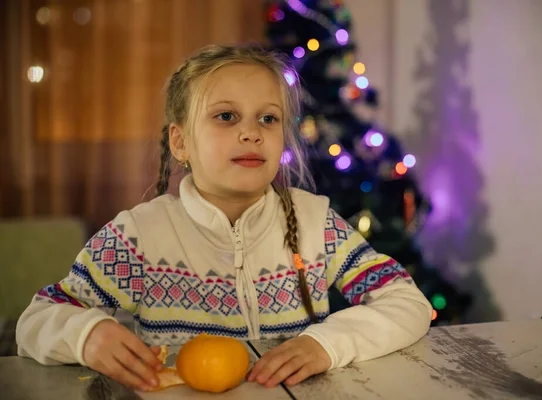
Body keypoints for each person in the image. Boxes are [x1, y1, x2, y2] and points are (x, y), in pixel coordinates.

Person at [16, 44, 433, 392]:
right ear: (180, 142)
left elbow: (406, 301)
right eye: (226, 116)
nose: (251, 132)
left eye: (267, 119)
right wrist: (86, 335)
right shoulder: (137, 236)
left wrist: (327, 344)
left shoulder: (316, 223)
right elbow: (37, 319)